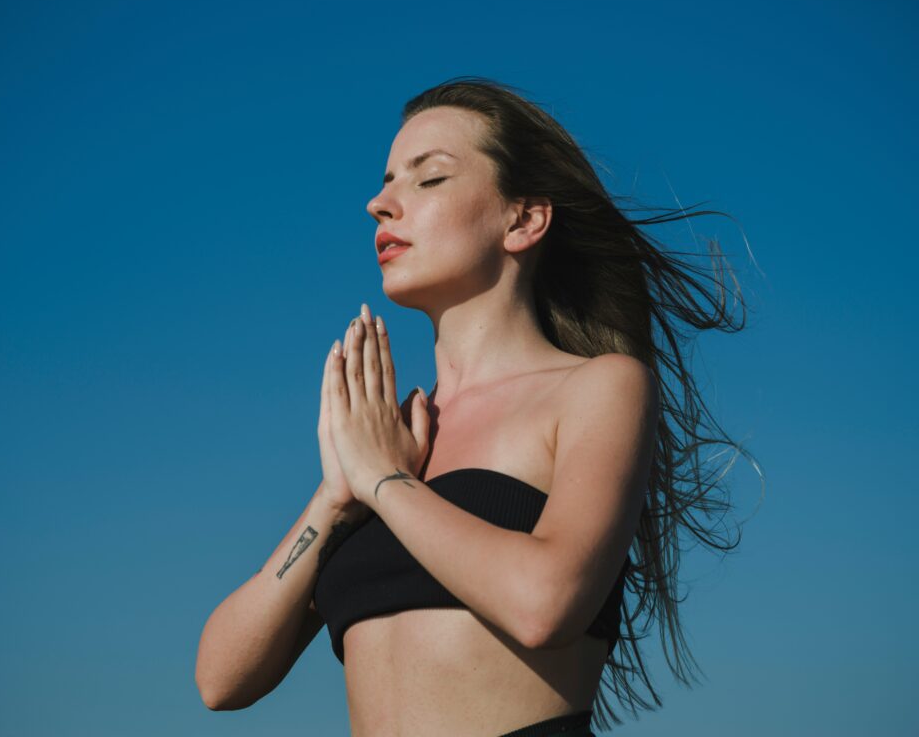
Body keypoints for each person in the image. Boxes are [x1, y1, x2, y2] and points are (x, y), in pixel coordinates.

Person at [195, 77, 759, 736]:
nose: (380, 203)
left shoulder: (597, 387)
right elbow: (220, 679)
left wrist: (388, 482)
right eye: (385, 182)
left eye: (427, 179)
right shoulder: (391, 439)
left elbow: (545, 604)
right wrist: (339, 495)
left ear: (523, 220)